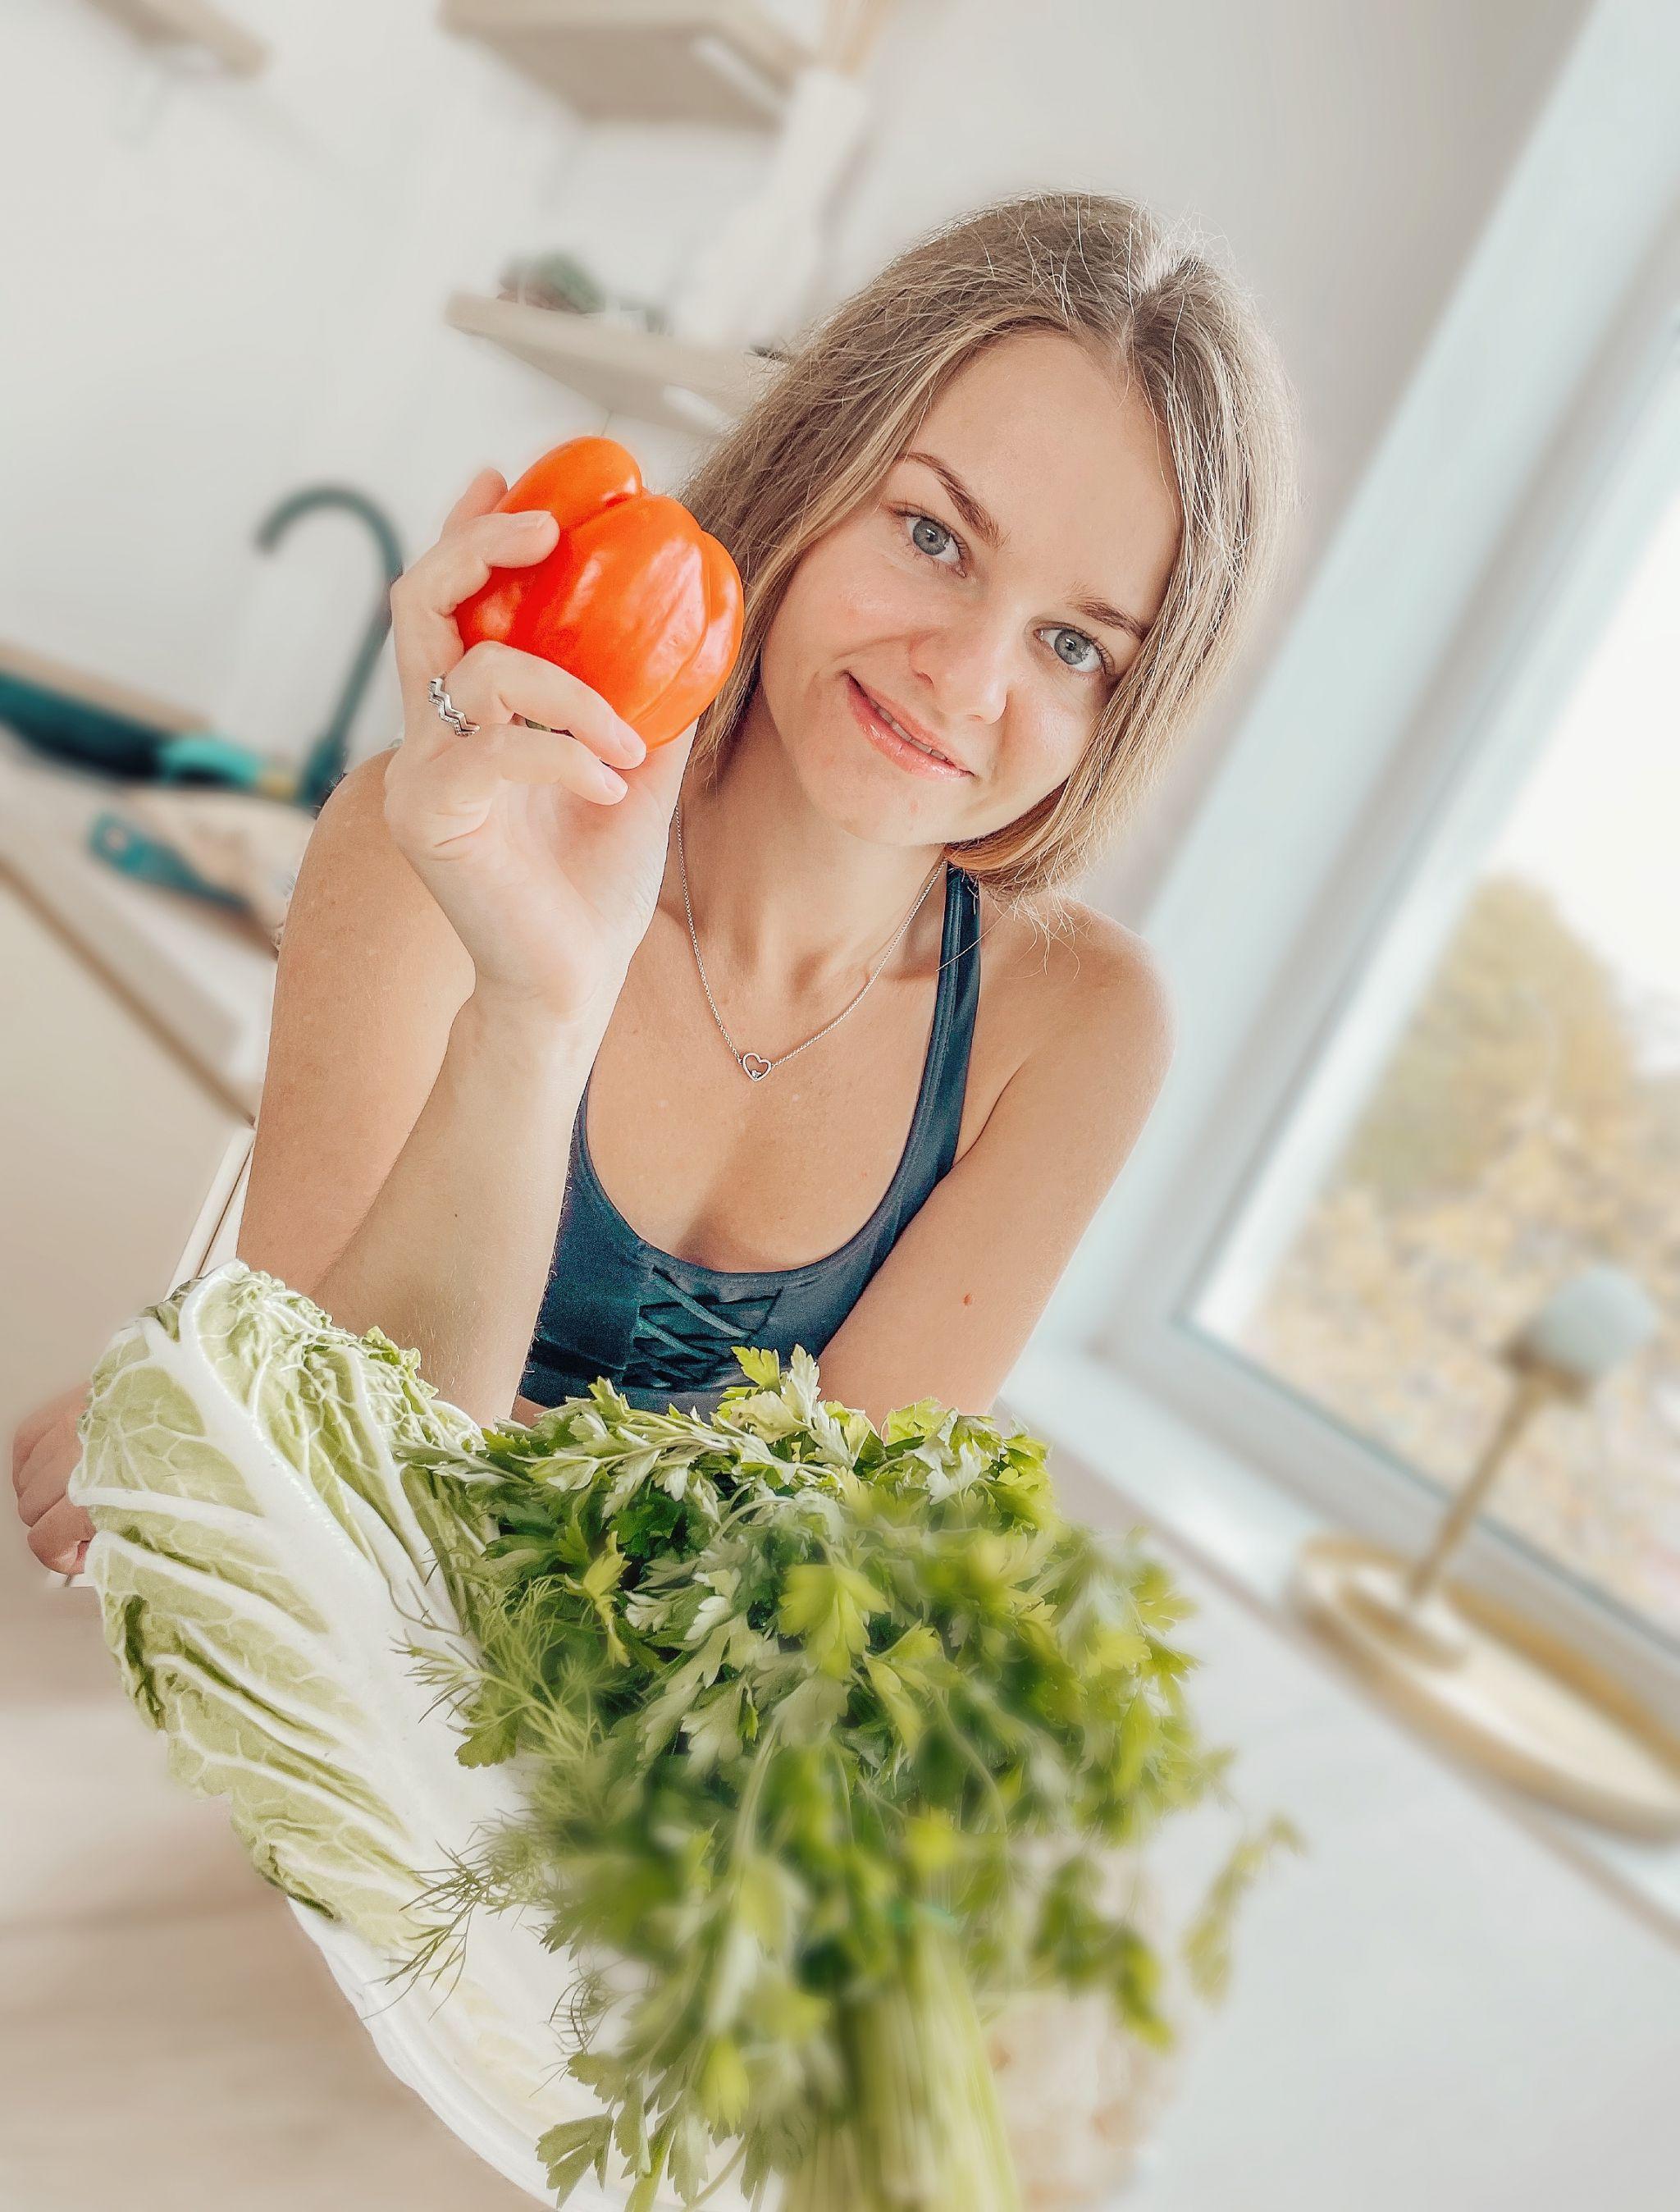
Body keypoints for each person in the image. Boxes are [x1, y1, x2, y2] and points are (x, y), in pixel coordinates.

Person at [11, 190, 1296, 1576]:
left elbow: (804, 1594)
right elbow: (322, 1520)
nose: (969, 679)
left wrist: (219, 1393)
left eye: (1074, 644)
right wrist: (536, 1006)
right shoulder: (435, 839)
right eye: (932, 536)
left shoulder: (1079, 1029)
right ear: (815, 471)